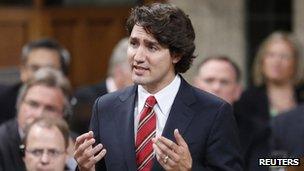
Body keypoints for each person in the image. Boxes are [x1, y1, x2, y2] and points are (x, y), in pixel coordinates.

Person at [74, 3, 243, 171]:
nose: (138, 56)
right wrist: (84, 169)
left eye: (151, 47)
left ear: (176, 54)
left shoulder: (214, 112)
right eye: (134, 44)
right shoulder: (105, 107)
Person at [234, 31, 304, 171]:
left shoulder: (302, 98)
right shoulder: (246, 100)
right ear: (262, 60)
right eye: (271, 55)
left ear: (296, 62)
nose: (276, 62)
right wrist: (292, 165)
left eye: (284, 56)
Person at [0, 68, 72, 171]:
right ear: (19, 105)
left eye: (50, 108)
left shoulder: (74, 144)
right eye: (33, 104)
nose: (39, 114)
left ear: (63, 115)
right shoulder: (2, 142)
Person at [0, 38, 70, 124]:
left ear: (64, 75)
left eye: (49, 69)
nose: (41, 75)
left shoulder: (73, 106)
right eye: (35, 68)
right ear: (23, 71)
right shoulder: (3, 100)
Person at [71, 37, 132, 134]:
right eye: (135, 69)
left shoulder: (139, 100)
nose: (140, 75)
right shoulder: (86, 98)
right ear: (119, 71)